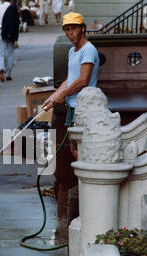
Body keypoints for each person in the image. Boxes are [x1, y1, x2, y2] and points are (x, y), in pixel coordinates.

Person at [42, 12, 99, 159]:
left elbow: (82, 80)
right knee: (74, 148)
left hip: (83, 107)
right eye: (67, 29)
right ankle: (82, 181)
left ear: (83, 28)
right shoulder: (72, 51)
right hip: (72, 106)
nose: (70, 33)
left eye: (73, 28)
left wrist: (62, 94)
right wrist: (53, 97)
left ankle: (87, 180)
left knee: (81, 149)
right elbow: (70, 79)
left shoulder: (88, 50)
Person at [0, 0, 19, 82]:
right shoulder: (14, 8)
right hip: (11, 33)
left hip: (1, 31)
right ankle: (9, 74)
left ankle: (2, 69)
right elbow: (17, 21)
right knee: (10, 53)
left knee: (1, 53)